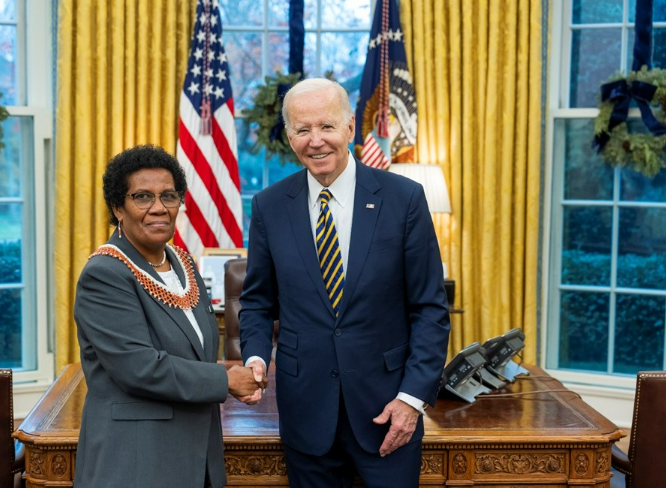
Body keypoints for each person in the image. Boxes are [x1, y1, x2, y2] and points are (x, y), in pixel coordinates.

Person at [238, 79, 451, 487]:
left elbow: (429, 309)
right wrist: (255, 357)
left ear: (350, 128)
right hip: (305, 413)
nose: (315, 141)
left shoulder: (403, 198)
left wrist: (411, 400)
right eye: (302, 130)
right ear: (289, 136)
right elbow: (258, 303)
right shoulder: (269, 206)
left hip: (389, 411)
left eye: (326, 127)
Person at [73, 145, 264, 488]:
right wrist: (227, 380)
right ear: (118, 207)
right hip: (136, 459)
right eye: (142, 197)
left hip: (195, 454)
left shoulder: (182, 262)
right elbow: (139, 367)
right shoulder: (105, 273)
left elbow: (195, 353)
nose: (158, 208)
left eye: (169, 196)